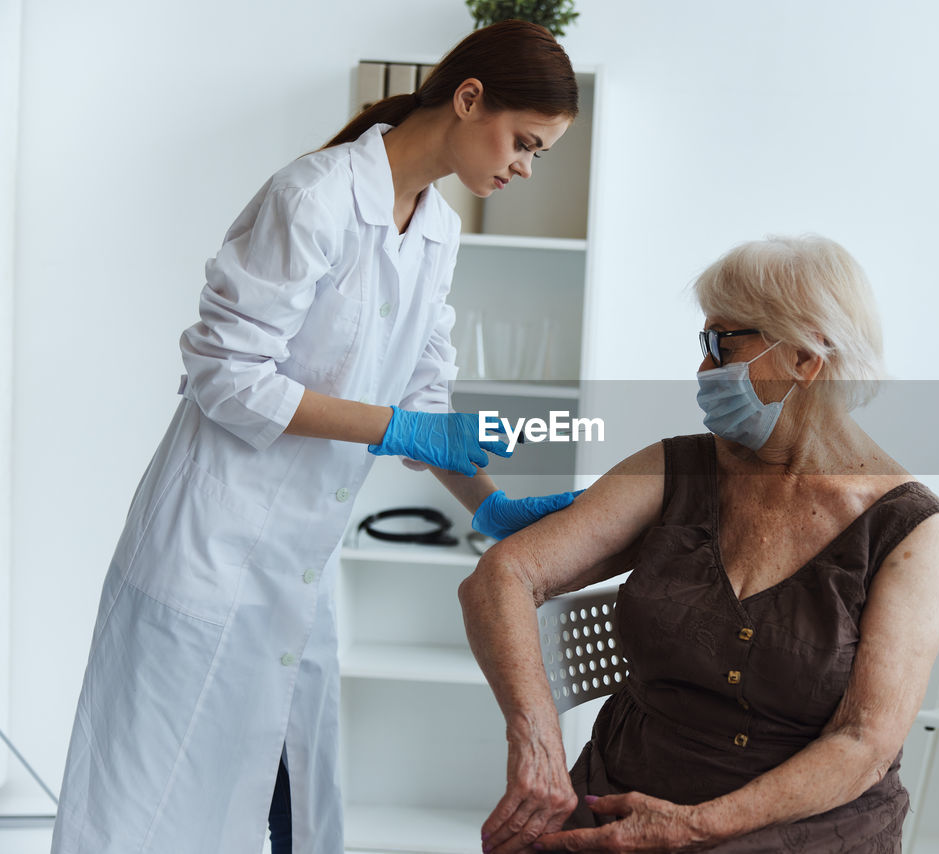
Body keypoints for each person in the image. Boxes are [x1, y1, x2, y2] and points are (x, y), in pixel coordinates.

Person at [52, 20, 582, 854]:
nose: (523, 166)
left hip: (294, 570)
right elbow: (228, 374)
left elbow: (423, 400)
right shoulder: (315, 197)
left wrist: (492, 507)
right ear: (469, 98)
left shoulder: (436, 233)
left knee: (291, 811)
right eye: (524, 142)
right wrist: (403, 426)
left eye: (539, 155)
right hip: (207, 553)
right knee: (154, 820)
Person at [458, 235, 939, 853]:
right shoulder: (677, 469)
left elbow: (864, 745)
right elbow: (502, 575)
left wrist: (692, 828)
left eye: (725, 343)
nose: (703, 369)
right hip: (620, 793)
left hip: (801, 826)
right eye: (704, 343)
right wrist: (536, 745)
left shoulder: (909, 528)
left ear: (805, 356)